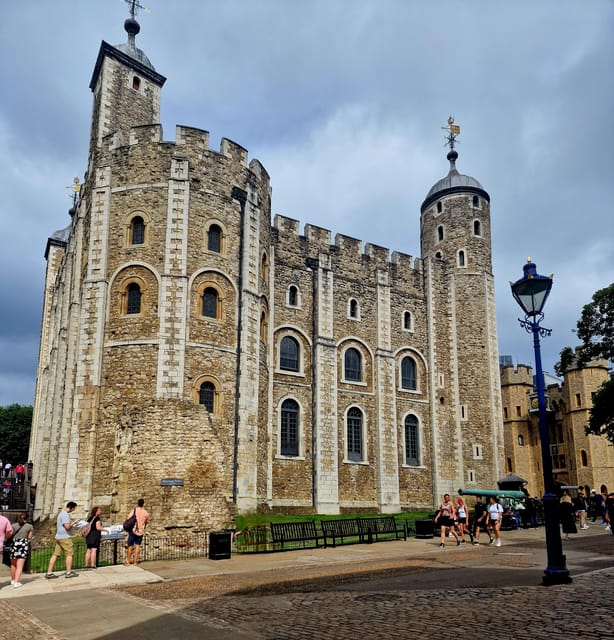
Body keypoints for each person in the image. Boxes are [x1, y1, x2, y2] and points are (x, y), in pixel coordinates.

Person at [45, 501, 80, 579]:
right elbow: (67, 527)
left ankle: (49, 572)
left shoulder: (61, 514)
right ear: (71, 507)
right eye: (74, 508)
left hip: (59, 537)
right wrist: (74, 522)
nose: (73, 510)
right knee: (69, 554)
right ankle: (68, 572)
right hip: (65, 537)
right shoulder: (65, 515)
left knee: (55, 554)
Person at [9, 512, 34, 589]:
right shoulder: (29, 526)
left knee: (13, 564)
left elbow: (10, 534)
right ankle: (16, 582)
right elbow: (29, 538)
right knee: (20, 565)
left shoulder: (13, 525)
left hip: (14, 545)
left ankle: (13, 580)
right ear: (27, 518)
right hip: (23, 545)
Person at [125, 498, 149, 566]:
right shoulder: (146, 513)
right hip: (140, 531)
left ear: (138, 503)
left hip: (133, 530)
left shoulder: (134, 510)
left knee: (130, 545)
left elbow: (128, 518)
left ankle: (128, 561)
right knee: (137, 546)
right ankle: (135, 562)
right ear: (143, 504)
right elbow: (146, 522)